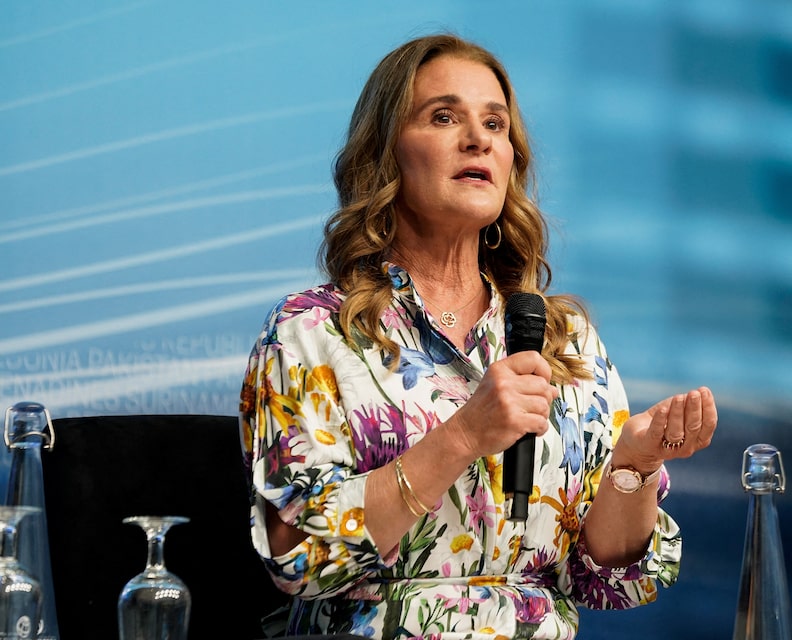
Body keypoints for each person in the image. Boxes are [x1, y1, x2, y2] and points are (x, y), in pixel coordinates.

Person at [239, 32, 718, 640]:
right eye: (444, 117)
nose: (478, 139)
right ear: (385, 154)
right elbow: (298, 554)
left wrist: (635, 464)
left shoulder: (564, 341)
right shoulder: (312, 331)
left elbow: (604, 580)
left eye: (495, 124)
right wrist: (465, 434)